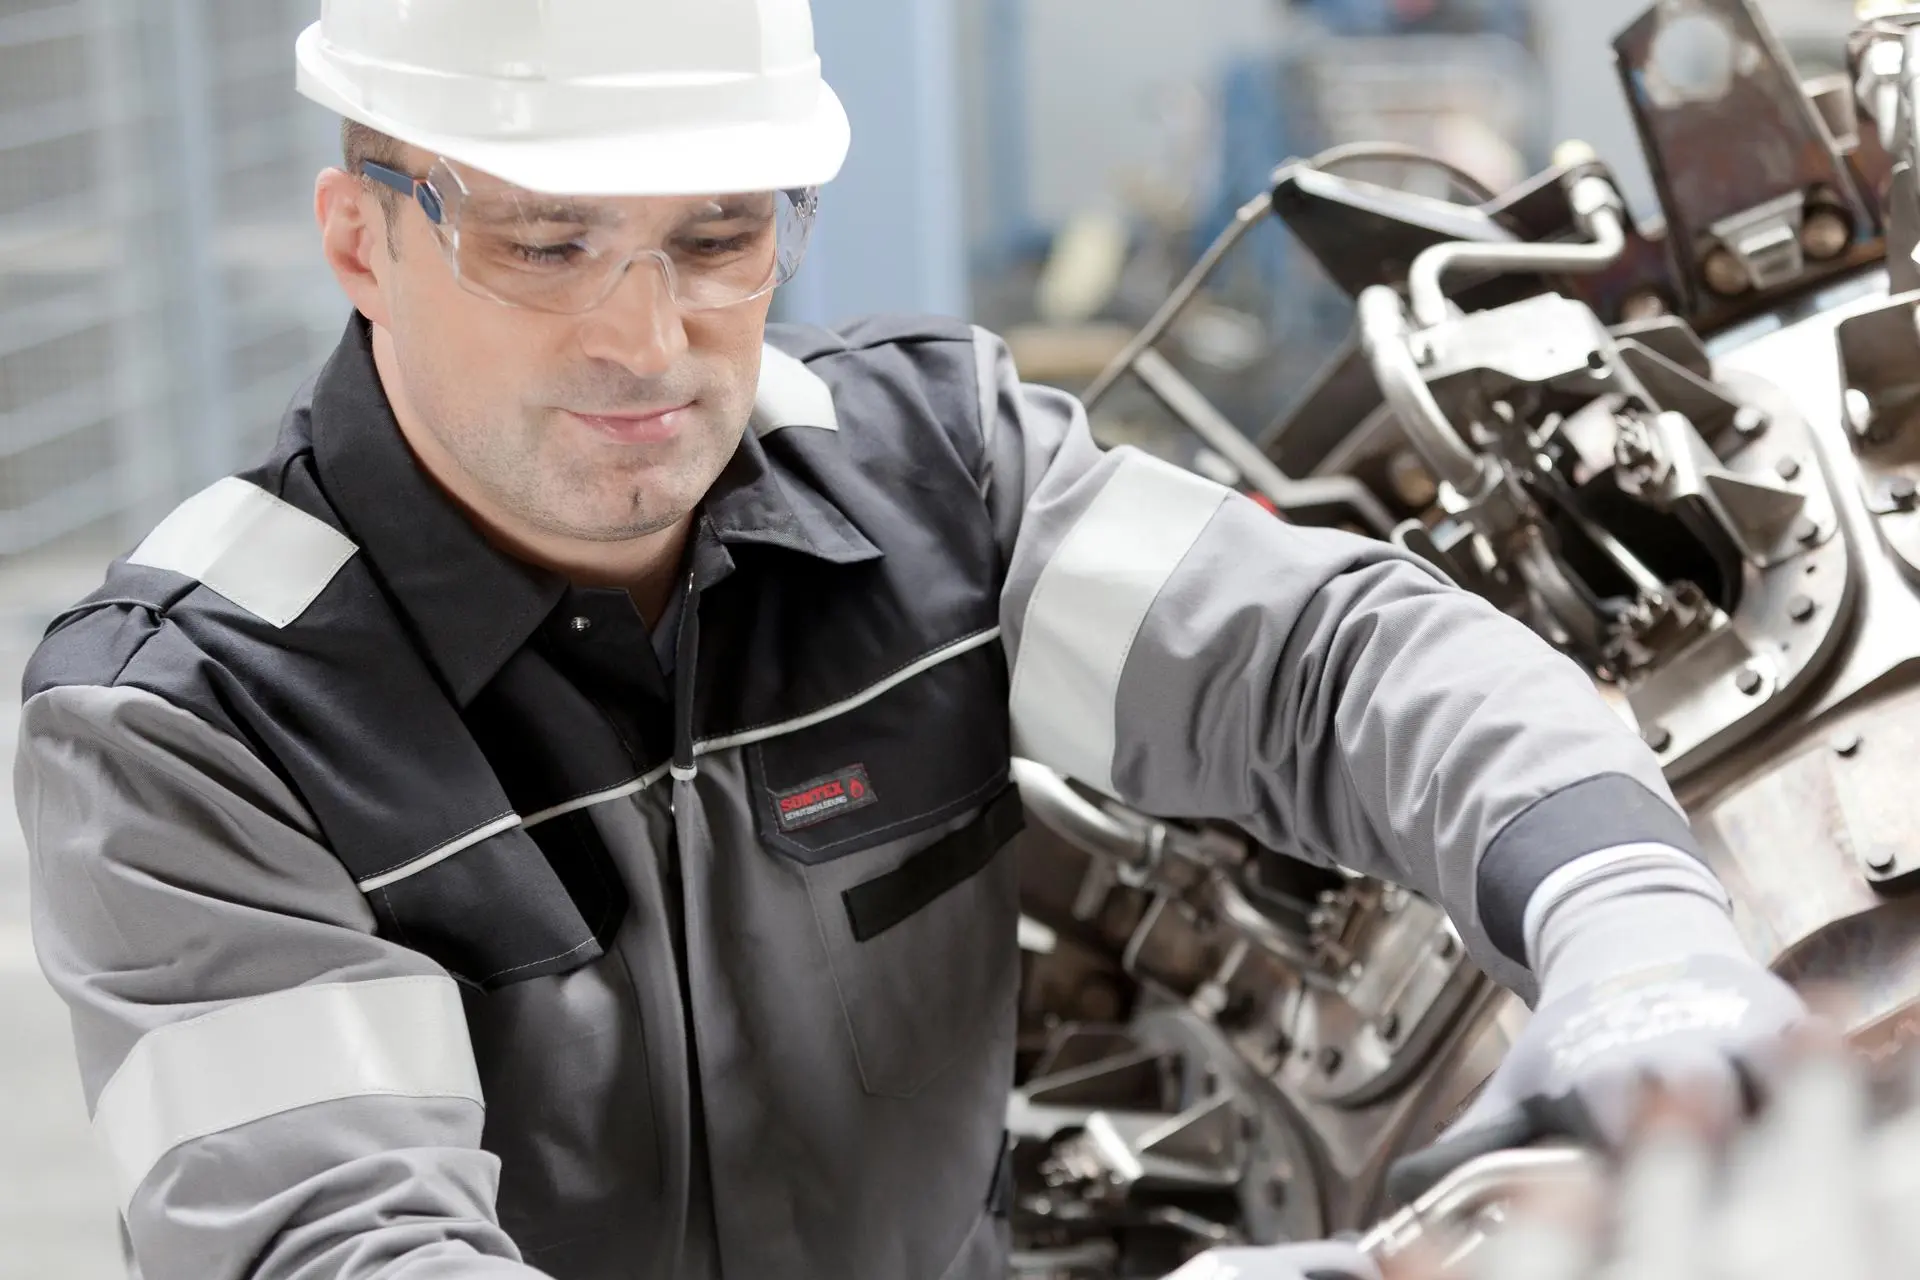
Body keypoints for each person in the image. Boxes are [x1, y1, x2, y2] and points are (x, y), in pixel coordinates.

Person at [14, 2, 1808, 1278]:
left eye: (718, 238)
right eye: (547, 247)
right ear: (360, 241)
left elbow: (1331, 665)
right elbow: (342, 1246)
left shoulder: (936, 480)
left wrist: (1625, 915)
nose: (647, 340)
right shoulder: (193, 721)